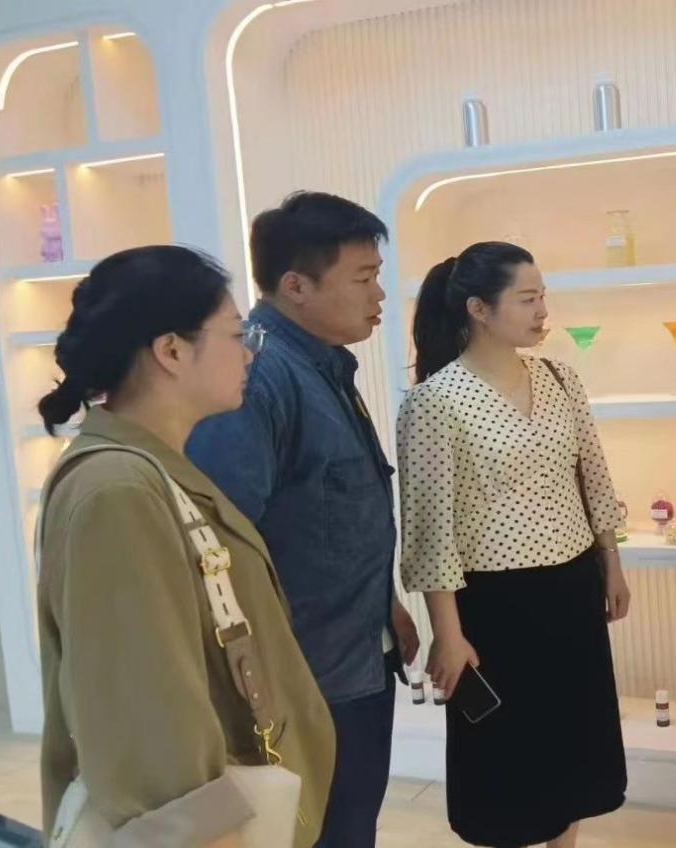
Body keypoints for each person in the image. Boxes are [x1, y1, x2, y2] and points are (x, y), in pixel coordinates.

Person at [36, 245, 335, 848]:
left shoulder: (152, 471)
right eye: (237, 334)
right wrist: (204, 833)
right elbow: (141, 707)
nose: (248, 352)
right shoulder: (119, 491)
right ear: (171, 350)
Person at [187, 192, 419, 847]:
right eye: (363, 278)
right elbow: (222, 543)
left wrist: (385, 607)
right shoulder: (260, 379)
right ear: (296, 286)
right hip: (304, 680)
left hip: (354, 656)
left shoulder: (323, 366)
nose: (378, 294)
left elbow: (328, 515)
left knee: (349, 826)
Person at [396, 241, 630, 848]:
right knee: (509, 754)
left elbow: (594, 476)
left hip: (572, 587)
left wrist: (611, 562)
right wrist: (448, 632)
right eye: (527, 299)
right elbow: (430, 529)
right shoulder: (434, 401)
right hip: (495, 603)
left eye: (542, 296)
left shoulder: (560, 378)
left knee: (573, 740)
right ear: (479, 308)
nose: (542, 310)